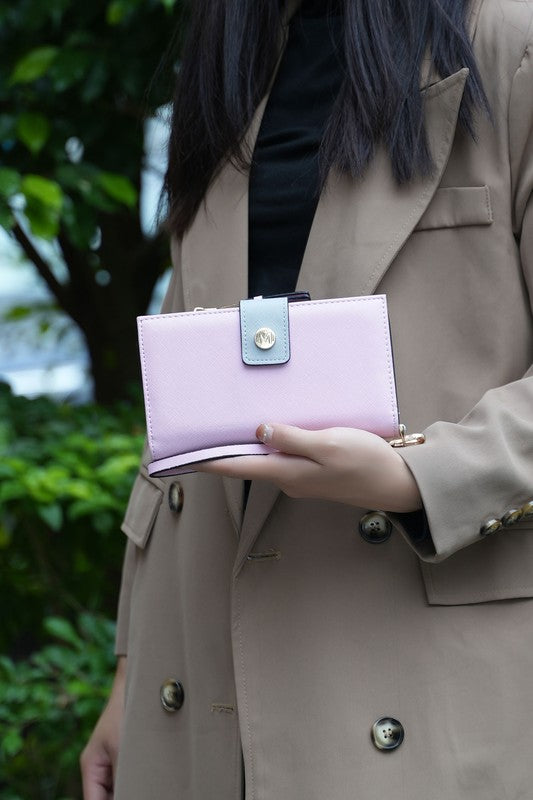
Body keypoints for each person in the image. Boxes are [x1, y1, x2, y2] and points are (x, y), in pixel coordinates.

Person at [81, 0, 533, 797]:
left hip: (420, 662)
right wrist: (132, 666)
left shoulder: (507, 40)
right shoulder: (230, 59)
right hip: (198, 666)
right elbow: (189, 399)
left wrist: (417, 477)